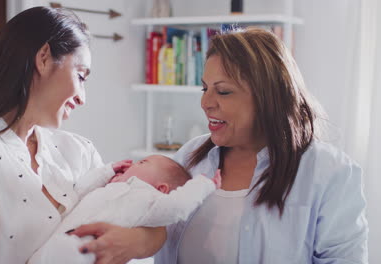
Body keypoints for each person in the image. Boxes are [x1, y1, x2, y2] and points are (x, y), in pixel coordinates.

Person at [71, 28, 368, 263]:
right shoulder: (189, 157)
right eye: (205, 88)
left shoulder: (329, 173)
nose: (205, 103)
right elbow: (151, 217)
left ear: (269, 97)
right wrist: (137, 241)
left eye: (223, 92)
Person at [0, 7, 163, 264]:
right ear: (44, 58)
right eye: (80, 76)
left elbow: (146, 217)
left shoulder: (79, 152)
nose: (83, 98)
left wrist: (135, 242)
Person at [28, 155, 221, 264]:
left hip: (84, 252)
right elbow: (78, 190)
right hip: (54, 245)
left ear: (161, 188)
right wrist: (106, 171)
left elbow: (178, 206)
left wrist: (204, 185)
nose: (135, 163)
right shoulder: (107, 186)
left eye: (143, 163)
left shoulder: (149, 200)